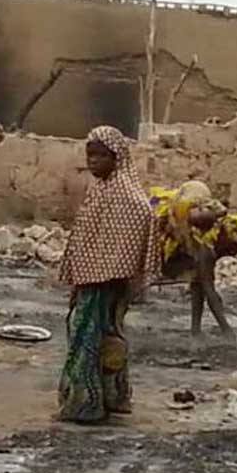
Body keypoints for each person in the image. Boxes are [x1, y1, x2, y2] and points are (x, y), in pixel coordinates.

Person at [55, 125, 161, 424]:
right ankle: (112, 398)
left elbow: (144, 216)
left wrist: (117, 269)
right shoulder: (101, 188)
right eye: (90, 155)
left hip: (106, 283)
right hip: (92, 279)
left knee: (86, 339)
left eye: (101, 156)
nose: (93, 162)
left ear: (117, 157)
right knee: (106, 340)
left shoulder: (125, 194)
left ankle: (84, 405)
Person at [148, 179, 237, 338]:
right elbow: (210, 292)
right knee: (202, 284)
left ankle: (195, 331)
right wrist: (227, 329)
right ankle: (198, 331)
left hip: (185, 223)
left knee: (198, 284)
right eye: (234, 249)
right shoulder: (206, 248)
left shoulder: (209, 234)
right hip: (180, 237)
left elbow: (200, 287)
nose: (234, 253)